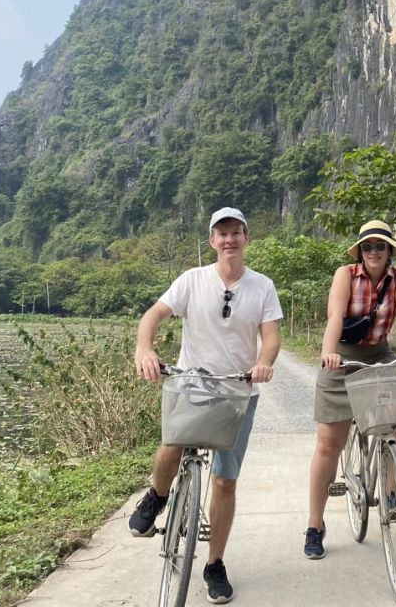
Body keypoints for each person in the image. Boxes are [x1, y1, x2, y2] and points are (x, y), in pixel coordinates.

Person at [130, 207, 282, 604]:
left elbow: (271, 336)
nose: (229, 239)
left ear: (247, 238)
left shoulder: (262, 286)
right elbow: (154, 315)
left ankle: (214, 563)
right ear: (212, 241)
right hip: (192, 383)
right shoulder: (192, 280)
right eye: (222, 233)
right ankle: (157, 496)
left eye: (236, 232)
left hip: (237, 392)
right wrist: (144, 348)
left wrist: (264, 362)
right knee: (172, 444)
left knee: (225, 480)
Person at [303, 219, 396, 559]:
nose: (373, 252)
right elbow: (335, 316)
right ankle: (315, 525)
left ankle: (392, 496)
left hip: (379, 355)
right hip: (342, 357)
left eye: (380, 246)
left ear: (390, 250)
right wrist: (328, 353)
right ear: (360, 252)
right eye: (367, 246)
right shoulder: (344, 275)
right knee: (328, 444)